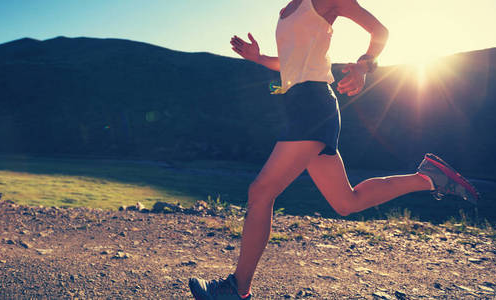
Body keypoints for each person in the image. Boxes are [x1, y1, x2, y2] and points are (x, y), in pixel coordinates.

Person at [188, 0, 479, 299]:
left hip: (313, 107)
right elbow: (290, 61)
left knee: (260, 192)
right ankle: (429, 178)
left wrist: (364, 66)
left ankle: (237, 289)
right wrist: (259, 57)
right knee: (346, 202)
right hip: (301, 106)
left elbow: (380, 32)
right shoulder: (291, 7)